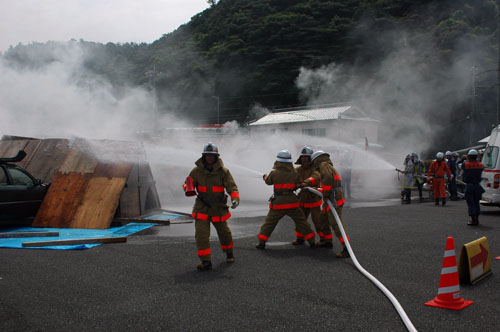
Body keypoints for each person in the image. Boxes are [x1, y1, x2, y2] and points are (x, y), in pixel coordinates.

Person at [185, 142, 240, 271]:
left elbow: (232, 187)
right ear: (204, 156)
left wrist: (235, 199)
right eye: (207, 155)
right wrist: (188, 188)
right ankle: (206, 262)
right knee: (201, 235)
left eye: (212, 155)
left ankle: (229, 253)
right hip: (202, 207)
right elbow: (188, 183)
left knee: (224, 233)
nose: (209, 158)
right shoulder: (196, 171)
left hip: (218, 207)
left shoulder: (224, 172)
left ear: (216, 157)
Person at [256, 150, 317, 249]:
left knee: (269, 223)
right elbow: (299, 183)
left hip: (278, 203)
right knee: (302, 222)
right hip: (292, 203)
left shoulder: (274, 172)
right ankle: (312, 242)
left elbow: (268, 182)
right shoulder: (294, 173)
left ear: (278, 161)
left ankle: (262, 242)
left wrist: (265, 177)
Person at [310, 150, 349, 258]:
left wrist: (325, 193)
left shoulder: (323, 164)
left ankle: (346, 248)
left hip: (333, 199)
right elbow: (329, 182)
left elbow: (327, 179)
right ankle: (327, 241)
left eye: (313, 162)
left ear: (316, 160)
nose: (314, 165)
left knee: (336, 224)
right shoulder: (327, 165)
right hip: (331, 199)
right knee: (322, 219)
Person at [292, 146, 332, 247]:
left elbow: (316, 177)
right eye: (303, 157)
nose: (304, 159)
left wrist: (306, 183)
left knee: (318, 221)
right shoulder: (298, 170)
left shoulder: (316, 169)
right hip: (302, 199)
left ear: (311, 158)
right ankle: (300, 238)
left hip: (313, 199)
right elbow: (292, 177)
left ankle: (324, 240)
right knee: (300, 221)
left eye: (307, 157)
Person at [463, 149, 484, 226]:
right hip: (477, 186)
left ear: (469, 156)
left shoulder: (465, 164)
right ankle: (477, 219)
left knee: (470, 203)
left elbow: (462, 167)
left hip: (469, 186)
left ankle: (473, 220)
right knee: (476, 203)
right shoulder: (481, 164)